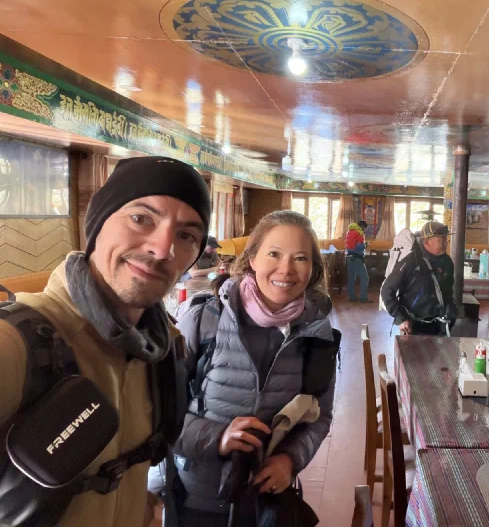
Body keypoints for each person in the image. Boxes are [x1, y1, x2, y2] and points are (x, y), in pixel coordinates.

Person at [0, 156, 210, 527]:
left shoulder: (162, 351)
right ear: (96, 224)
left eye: (186, 235)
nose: (163, 249)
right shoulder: (18, 343)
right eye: (141, 218)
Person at [172, 210, 338, 526]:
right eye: (274, 253)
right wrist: (217, 437)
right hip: (199, 498)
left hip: (267, 502)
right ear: (252, 259)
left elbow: (320, 415)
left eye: (300, 258)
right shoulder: (203, 320)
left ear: (313, 269)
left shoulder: (317, 334)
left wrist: (290, 460)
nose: (286, 269)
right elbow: (158, 412)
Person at [380, 221, 457, 336]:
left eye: (446, 239)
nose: (446, 243)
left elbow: (448, 290)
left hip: (439, 326)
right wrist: (400, 317)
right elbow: (386, 290)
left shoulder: (447, 262)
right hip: (412, 326)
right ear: (426, 241)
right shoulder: (411, 261)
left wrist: (450, 307)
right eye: (441, 240)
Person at [345, 220, 371, 303]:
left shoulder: (349, 232)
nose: (364, 230)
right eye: (364, 228)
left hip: (349, 257)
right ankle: (363, 298)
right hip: (357, 258)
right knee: (365, 278)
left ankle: (352, 297)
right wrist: (366, 244)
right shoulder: (359, 233)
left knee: (351, 278)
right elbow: (359, 247)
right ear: (362, 226)